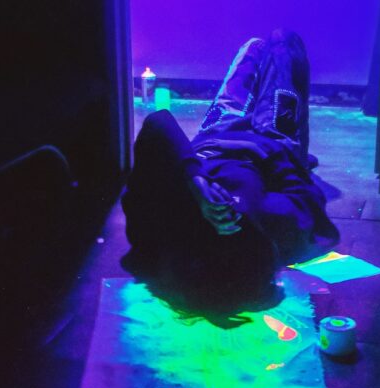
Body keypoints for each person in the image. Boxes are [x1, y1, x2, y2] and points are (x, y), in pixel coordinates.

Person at [121, 29, 339, 322]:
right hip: (274, 142)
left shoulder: (163, 231)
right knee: (284, 44)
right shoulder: (270, 222)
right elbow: (301, 193)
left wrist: (195, 179)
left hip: (216, 135)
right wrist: (273, 152)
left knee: (254, 47)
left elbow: (158, 123)